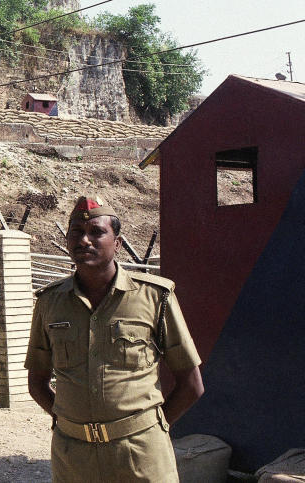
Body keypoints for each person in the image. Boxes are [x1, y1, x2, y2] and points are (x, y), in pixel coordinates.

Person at [25, 195, 204, 482]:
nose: (84, 240)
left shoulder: (154, 297)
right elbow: (37, 382)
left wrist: (147, 430)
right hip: (74, 458)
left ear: (117, 243)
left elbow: (191, 385)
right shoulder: (50, 302)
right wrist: (70, 422)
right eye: (76, 233)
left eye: (97, 232)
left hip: (140, 455)